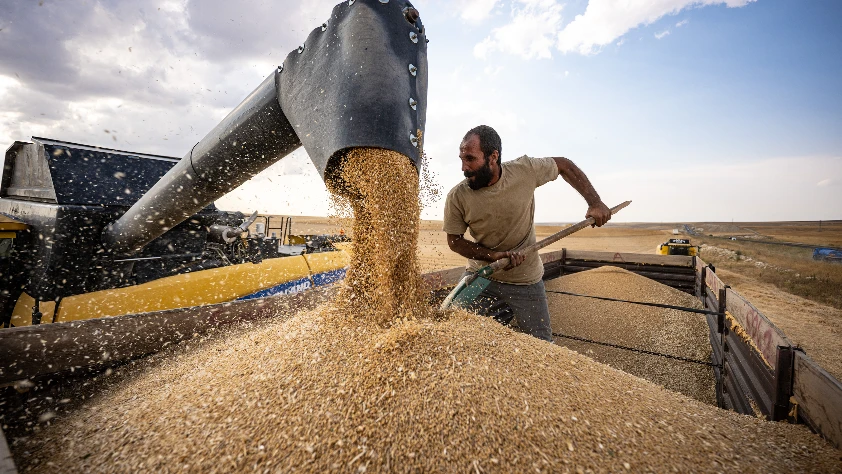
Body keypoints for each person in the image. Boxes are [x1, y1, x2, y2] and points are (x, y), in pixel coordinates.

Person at [442, 125, 611, 342]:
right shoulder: (458, 196)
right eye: (461, 158)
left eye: (470, 159)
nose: (464, 167)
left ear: (493, 157)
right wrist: (493, 256)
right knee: (455, 337)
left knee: (542, 346)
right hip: (481, 277)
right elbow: (454, 241)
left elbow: (564, 165)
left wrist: (595, 202)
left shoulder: (525, 170)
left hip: (525, 281)